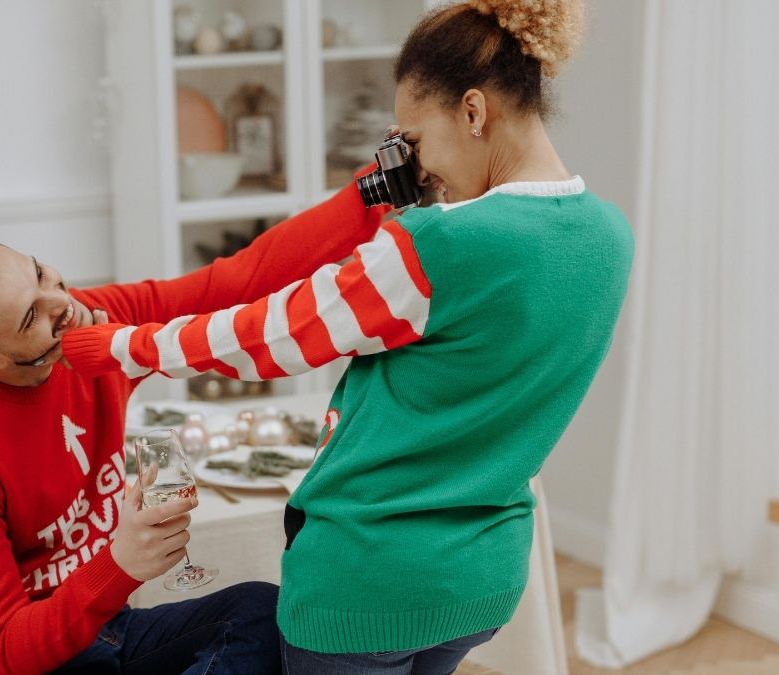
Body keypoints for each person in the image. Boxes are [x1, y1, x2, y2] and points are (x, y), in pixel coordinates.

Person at [59, 1, 632, 673]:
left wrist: (124, 346)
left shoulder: (438, 246)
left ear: (474, 111)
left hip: (367, 582)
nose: (420, 169)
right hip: (484, 576)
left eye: (415, 141)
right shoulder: (609, 238)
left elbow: (274, 333)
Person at [0, 119, 388, 673]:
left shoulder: (92, 323)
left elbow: (234, 283)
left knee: (257, 615)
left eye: (41, 273)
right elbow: (7, 651)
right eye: (32, 317)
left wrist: (377, 189)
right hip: (5, 666)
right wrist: (120, 565)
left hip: (101, 636)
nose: (63, 303)